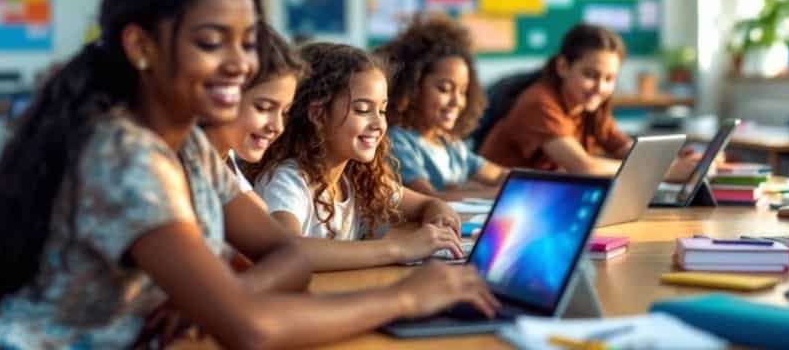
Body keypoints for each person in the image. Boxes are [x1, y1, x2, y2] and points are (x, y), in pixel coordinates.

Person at [0, 0, 497, 349]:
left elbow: (286, 254)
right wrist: (408, 298)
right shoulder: (121, 153)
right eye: (212, 41)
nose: (240, 65)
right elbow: (251, 330)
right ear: (141, 47)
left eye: (246, 42)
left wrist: (211, 296)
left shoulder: (188, 145)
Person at [254, 43, 471, 271]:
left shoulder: (356, 179)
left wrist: (439, 218)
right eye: (362, 110)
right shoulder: (286, 181)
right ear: (318, 115)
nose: (378, 124)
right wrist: (400, 248)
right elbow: (288, 250)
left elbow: (428, 203)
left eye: (382, 110)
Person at [478, 24, 698, 179]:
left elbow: (624, 149)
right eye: (590, 75)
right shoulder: (539, 103)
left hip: (543, 198)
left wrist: (677, 161)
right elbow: (584, 166)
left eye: (609, 78)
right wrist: (665, 172)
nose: (600, 88)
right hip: (491, 200)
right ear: (563, 67)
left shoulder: (589, 105)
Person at [375, 16, 506, 200]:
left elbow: (499, 175)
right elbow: (428, 198)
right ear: (412, 87)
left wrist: (526, 182)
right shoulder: (398, 141)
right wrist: (501, 193)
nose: (457, 101)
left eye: (463, 91)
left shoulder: (449, 144)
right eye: (444, 89)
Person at [201, 23, 305, 212]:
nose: (278, 126)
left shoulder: (225, 159)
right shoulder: (189, 167)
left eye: (285, 113)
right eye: (263, 107)